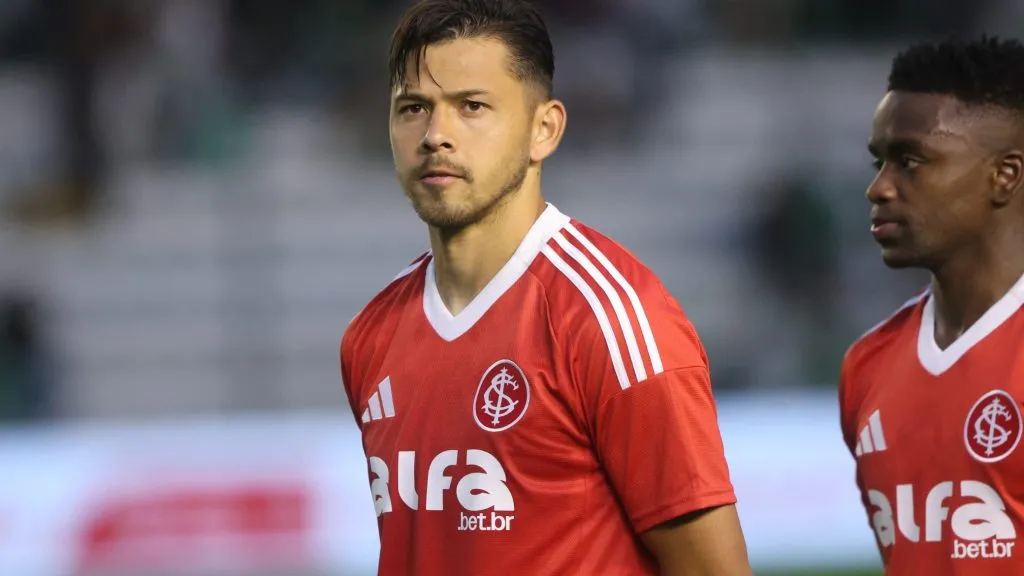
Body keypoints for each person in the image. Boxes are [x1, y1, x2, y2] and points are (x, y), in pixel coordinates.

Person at [339, 1, 751, 574]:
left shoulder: (610, 317)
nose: (435, 136)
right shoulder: (371, 336)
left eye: (471, 106)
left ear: (544, 130)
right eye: (413, 108)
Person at [839, 36, 1024, 575]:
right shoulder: (866, 367)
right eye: (879, 162)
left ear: (1004, 176)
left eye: (910, 161)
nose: (878, 189)